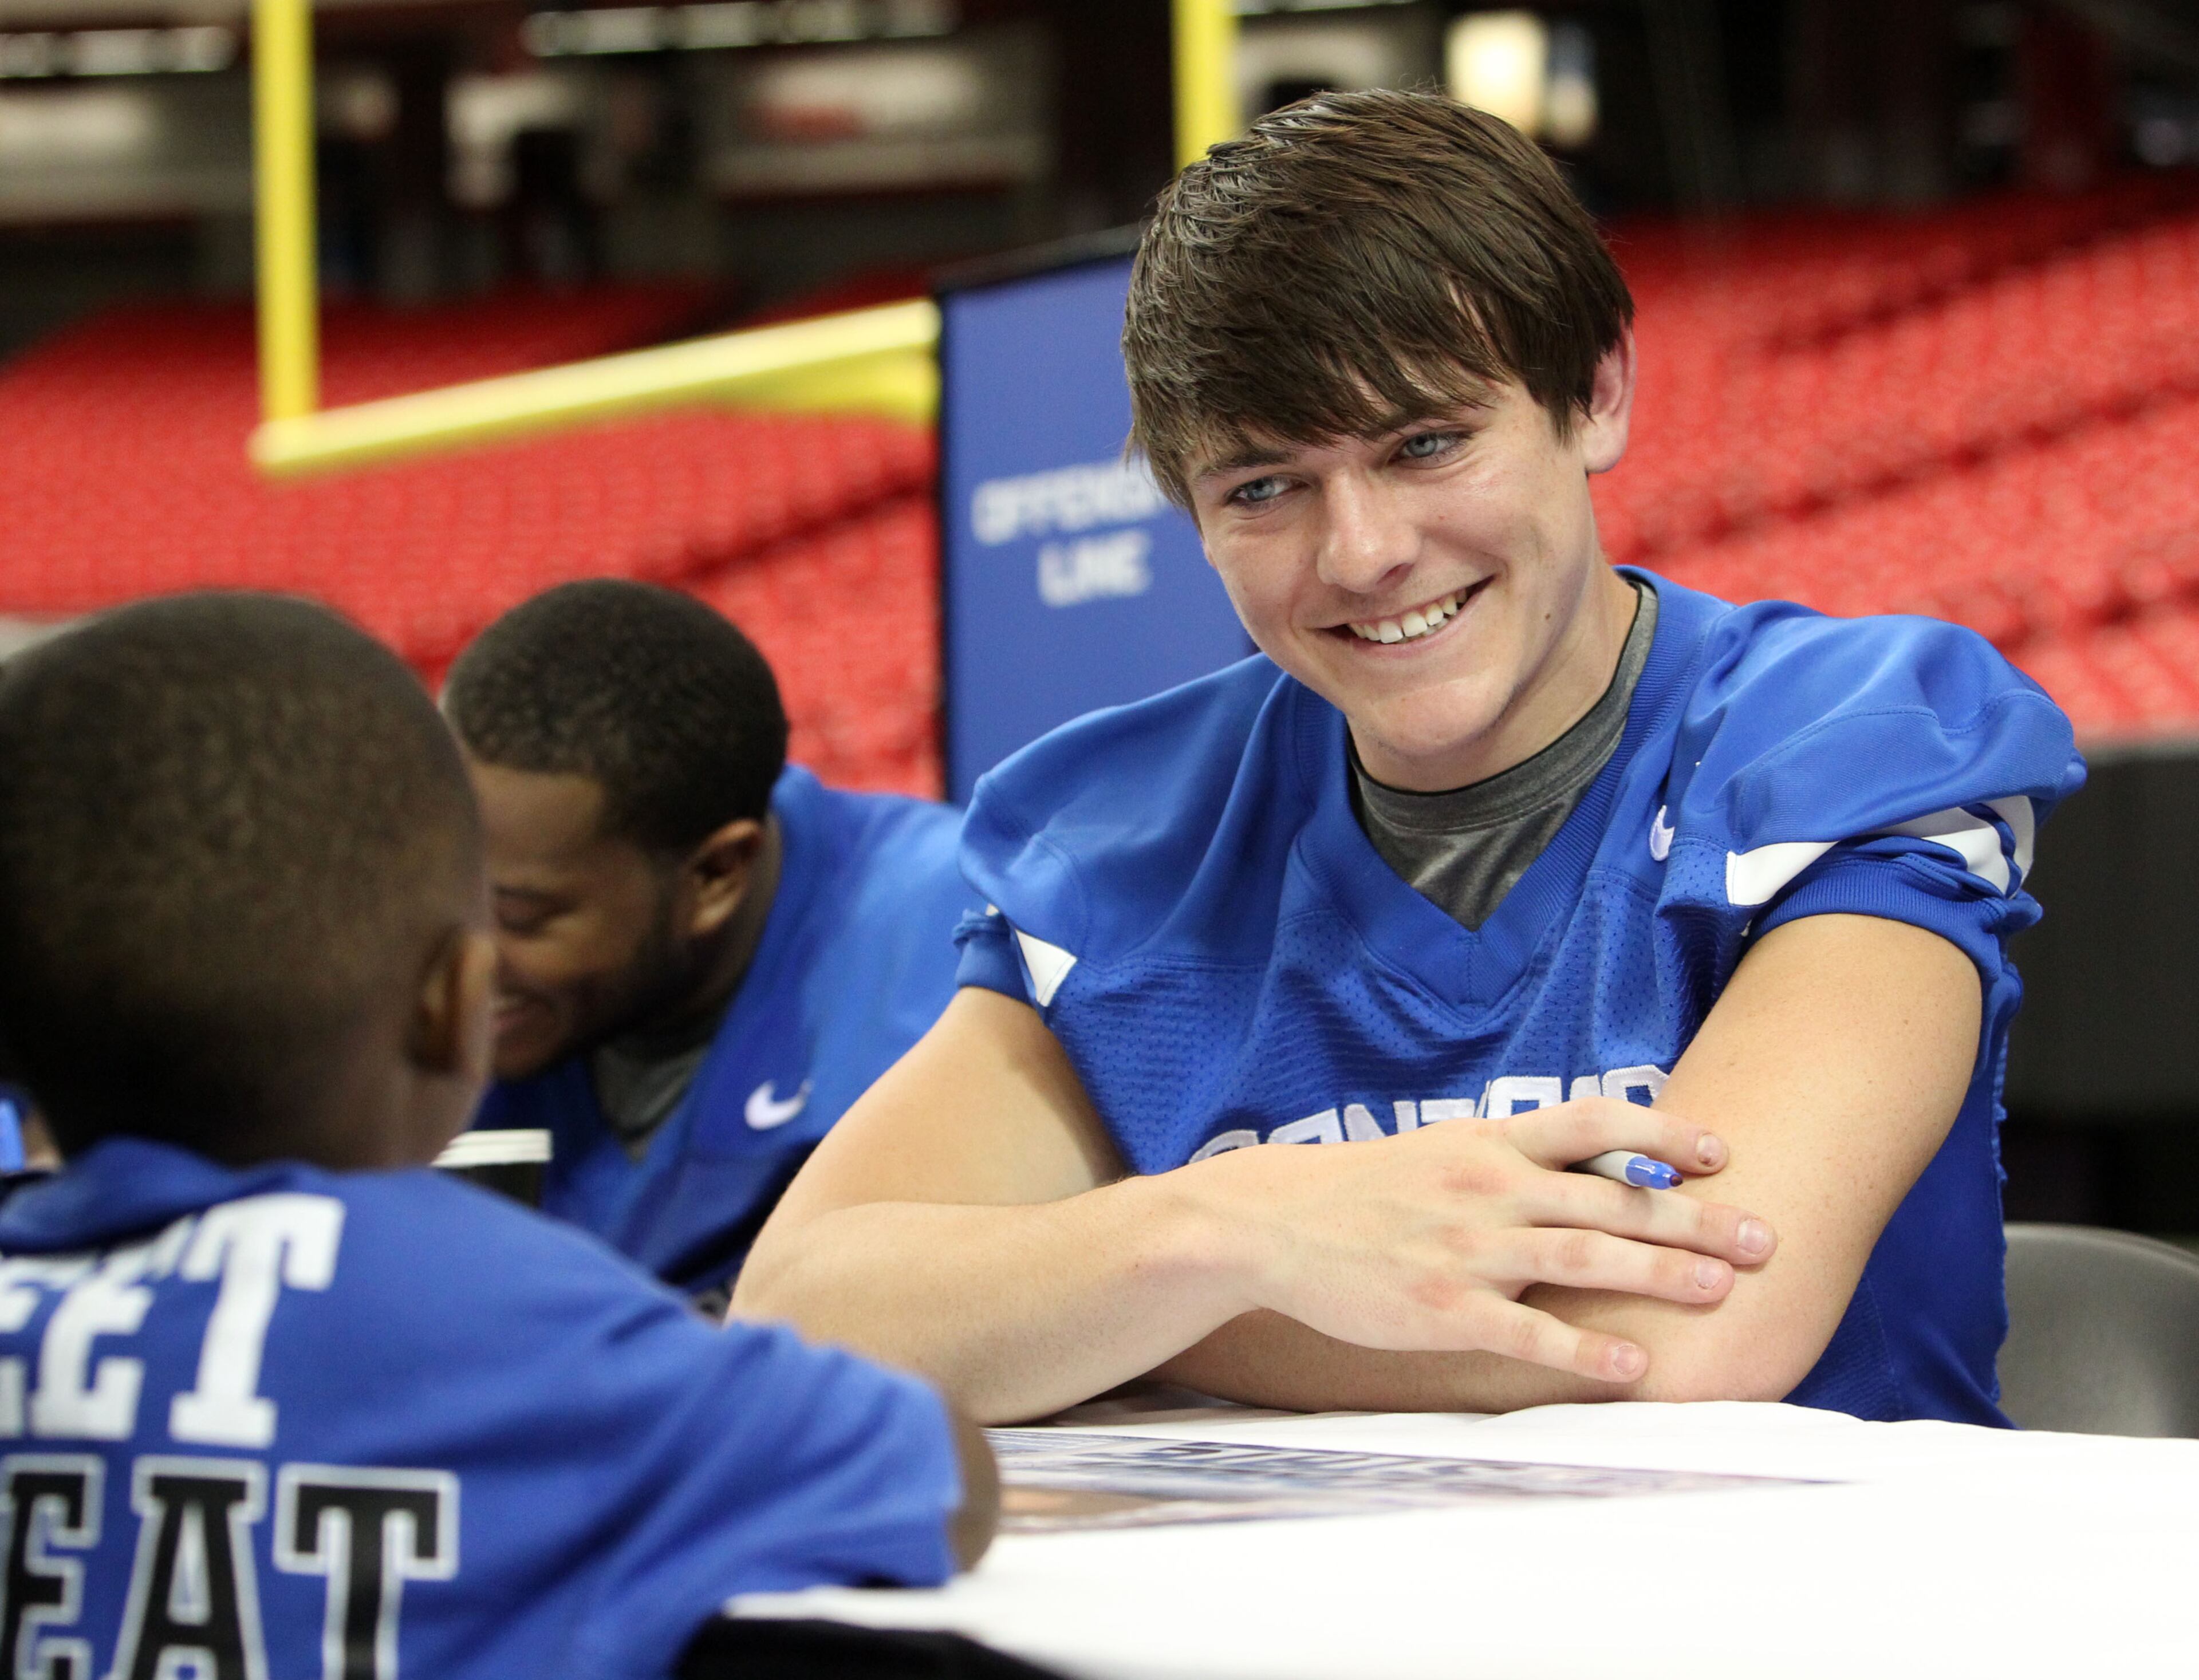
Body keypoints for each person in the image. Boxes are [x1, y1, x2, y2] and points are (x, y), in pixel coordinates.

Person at [734, 89, 2085, 1427]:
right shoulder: (1123, 830)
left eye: (1425, 443)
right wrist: (1225, 1232)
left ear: (1594, 393)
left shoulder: (1850, 732)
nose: (1361, 551)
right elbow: (804, 1317)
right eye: (1262, 486)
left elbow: (1672, 1334)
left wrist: (1094, 1310)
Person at [0, 594, 994, 1680]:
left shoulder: (941, 910)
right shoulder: (517, 1332)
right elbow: (941, 1474)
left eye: (520, 908)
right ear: (449, 996)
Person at [445, 581, 976, 1304]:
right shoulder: (383, 967)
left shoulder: (956, 957)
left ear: (716, 874)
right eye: (439, 887)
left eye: (521, 915)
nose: (460, 957)